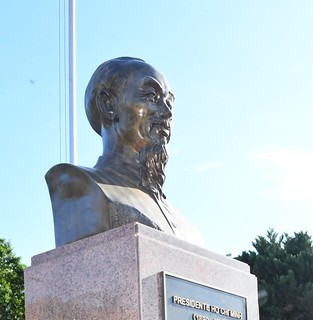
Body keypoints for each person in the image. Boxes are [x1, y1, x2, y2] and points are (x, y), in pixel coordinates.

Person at [45, 57, 202, 248]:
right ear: (108, 105)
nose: (167, 113)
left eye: (169, 102)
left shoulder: (186, 227)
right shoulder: (77, 184)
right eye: (152, 96)